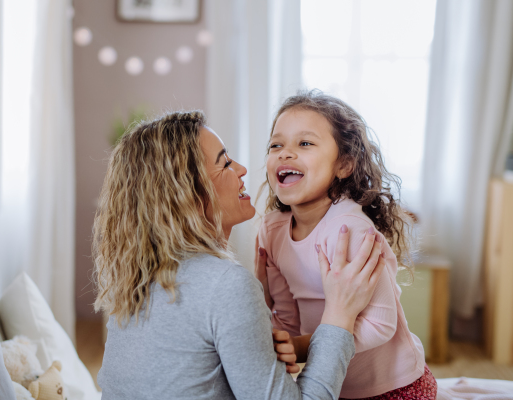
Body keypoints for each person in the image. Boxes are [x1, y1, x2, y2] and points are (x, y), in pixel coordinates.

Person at [93, 110, 386, 399]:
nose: (243, 168)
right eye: (225, 163)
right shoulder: (225, 285)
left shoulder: (137, 281)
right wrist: (339, 317)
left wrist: (264, 304)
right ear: (187, 194)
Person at [256, 90, 437, 400]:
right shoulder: (271, 231)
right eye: (276, 144)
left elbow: (381, 324)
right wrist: (276, 341)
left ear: (344, 165)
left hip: (395, 386)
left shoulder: (349, 230)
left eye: (305, 143)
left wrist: (303, 348)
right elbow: (286, 316)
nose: (285, 153)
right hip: (337, 385)